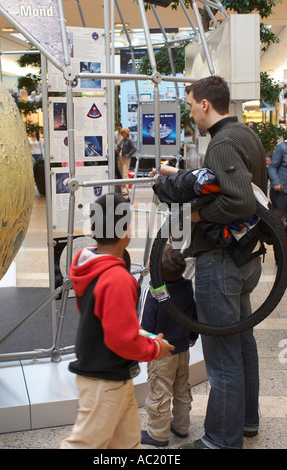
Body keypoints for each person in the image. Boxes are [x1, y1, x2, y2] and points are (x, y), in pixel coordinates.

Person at [151, 75, 268, 449]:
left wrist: (193, 217)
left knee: (222, 355)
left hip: (221, 262)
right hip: (247, 256)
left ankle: (221, 438)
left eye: (190, 105)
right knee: (242, 341)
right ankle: (247, 422)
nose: (189, 113)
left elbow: (238, 202)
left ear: (205, 105)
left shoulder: (221, 142)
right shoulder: (245, 134)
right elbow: (226, 186)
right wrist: (181, 177)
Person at [60, 193, 174, 449]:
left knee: (127, 442)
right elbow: (120, 339)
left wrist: (141, 335)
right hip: (105, 380)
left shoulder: (86, 263)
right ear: (126, 231)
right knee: (84, 444)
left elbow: (106, 319)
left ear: (93, 229)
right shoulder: (119, 279)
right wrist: (155, 349)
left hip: (110, 374)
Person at [140, 244, 198, 447]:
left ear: (154, 268)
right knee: (182, 389)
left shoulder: (154, 291)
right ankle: (182, 427)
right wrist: (193, 335)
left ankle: (157, 434)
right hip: (183, 349)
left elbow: (145, 326)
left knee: (160, 392)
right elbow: (192, 312)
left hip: (161, 354)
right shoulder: (186, 285)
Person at [268, 139, 287, 214]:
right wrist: (276, 182)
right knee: (281, 218)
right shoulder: (281, 147)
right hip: (281, 191)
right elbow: (272, 167)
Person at [117, 128, 137, 198]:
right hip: (120, 158)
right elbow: (119, 147)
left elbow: (134, 148)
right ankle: (125, 190)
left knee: (124, 174)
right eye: (122, 133)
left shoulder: (129, 140)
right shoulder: (122, 140)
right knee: (122, 174)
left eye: (124, 133)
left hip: (125, 159)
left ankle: (125, 190)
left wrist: (128, 155)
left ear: (126, 133)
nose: (123, 134)